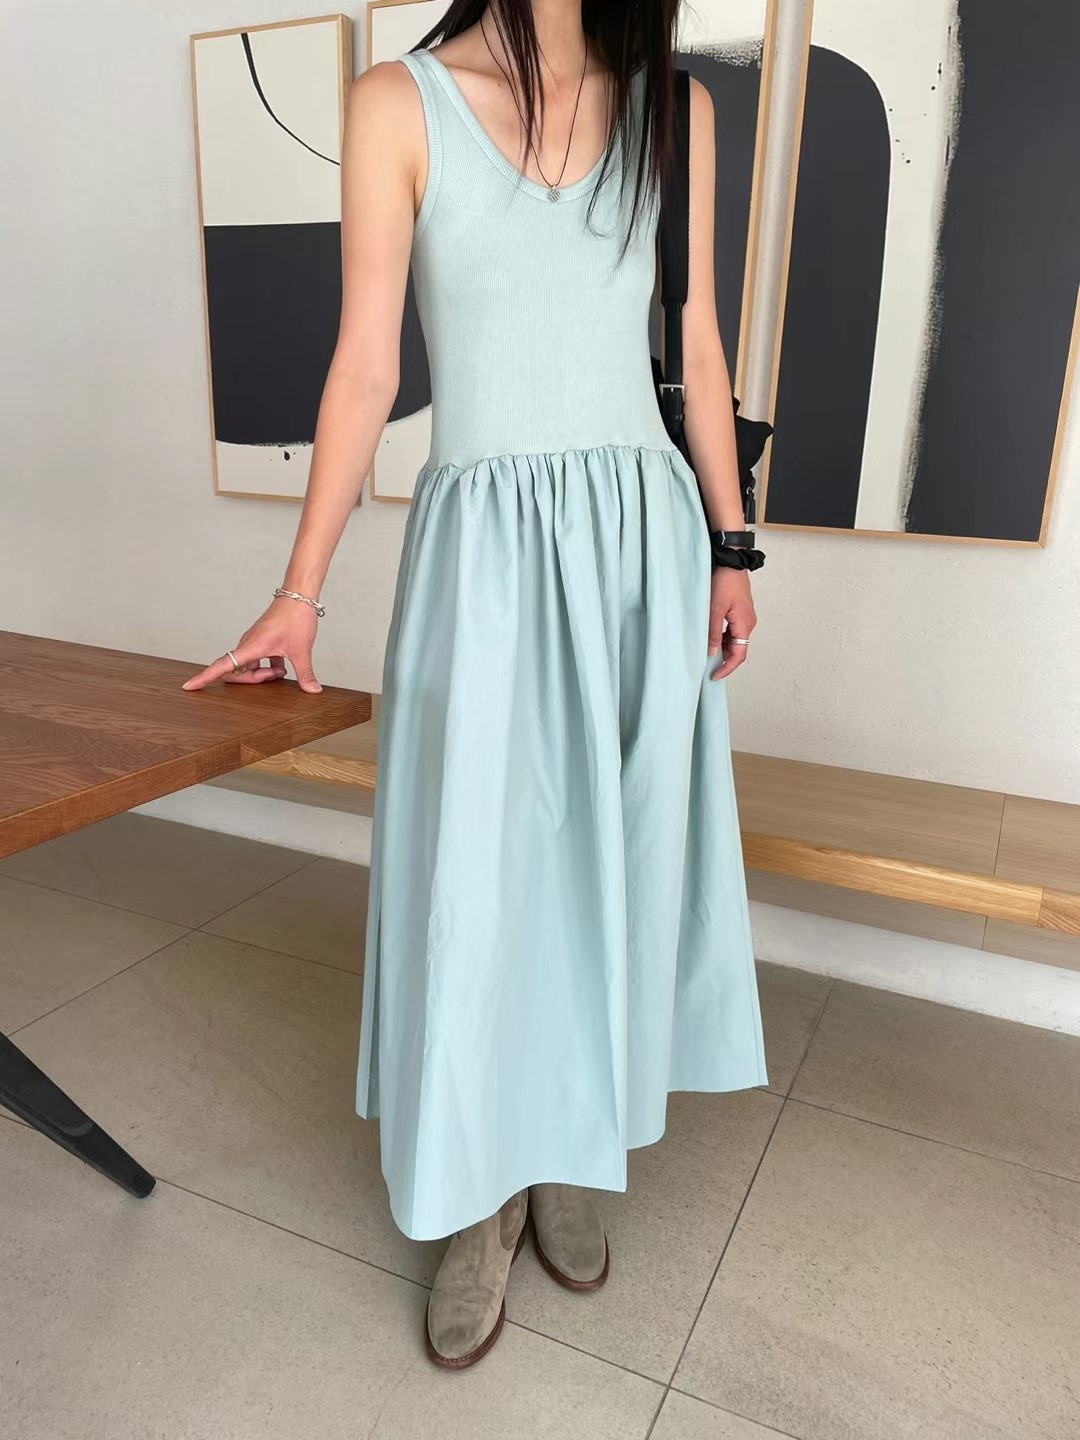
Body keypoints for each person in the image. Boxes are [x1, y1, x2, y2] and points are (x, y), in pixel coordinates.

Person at [183, 0, 767, 1370]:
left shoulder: (675, 110)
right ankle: (482, 1195)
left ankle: (570, 1144)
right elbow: (365, 365)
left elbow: (697, 346)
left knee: (612, 864)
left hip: (640, 544)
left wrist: (731, 548)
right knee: (484, 875)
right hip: (486, 557)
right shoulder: (398, 103)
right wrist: (300, 589)